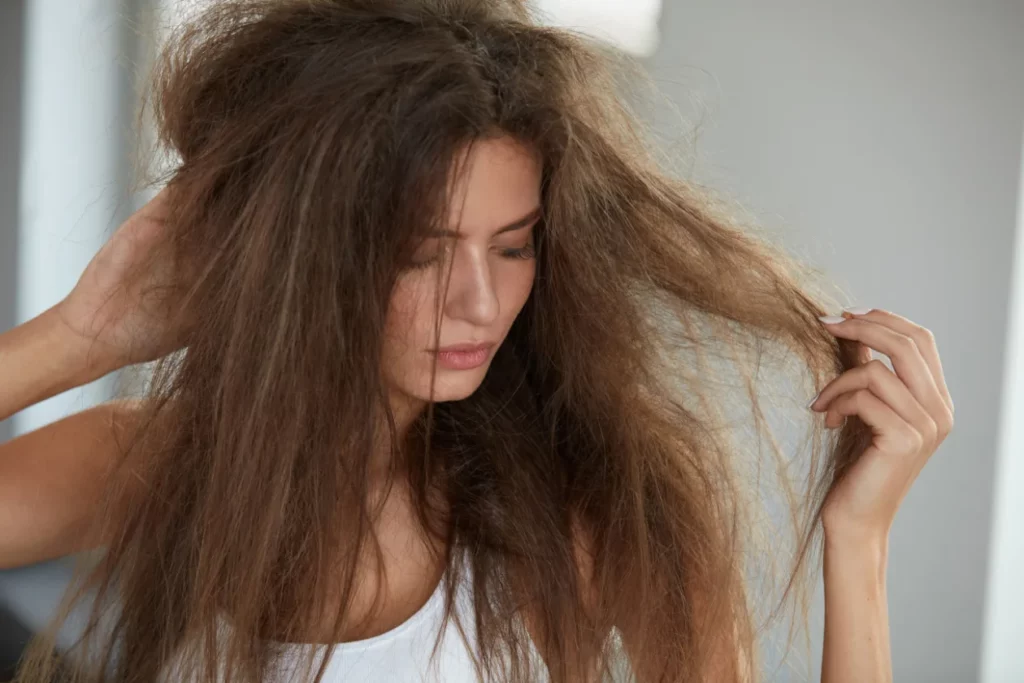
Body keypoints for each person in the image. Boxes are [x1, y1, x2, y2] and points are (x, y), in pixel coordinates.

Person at [0, 0, 954, 681]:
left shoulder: (587, 518)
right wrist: (80, 336)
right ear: (303, 258)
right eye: (420, 254)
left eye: (514, 245)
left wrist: (857, 543)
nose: (480, 303)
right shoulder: (159, 464)